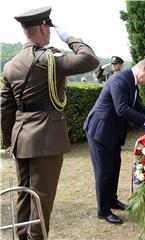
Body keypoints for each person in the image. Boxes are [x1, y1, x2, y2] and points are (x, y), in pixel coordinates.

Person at [0, 6, 99, 240]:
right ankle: (37, 237)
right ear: (43, 27)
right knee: (42, 196)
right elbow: (90, 59)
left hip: (21, 138)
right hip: (46, 137)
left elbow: (5, 108)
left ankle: (22, 235)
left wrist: (8, 142)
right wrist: (70, 37)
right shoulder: (49, 60)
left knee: (24, 194)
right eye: (50, 29)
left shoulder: (10, 65)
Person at [83, 57, 145, 224]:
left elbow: (136, 106)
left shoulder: (132, 83)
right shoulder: (120, 79)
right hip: (100, 131)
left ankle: (112, 200)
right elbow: (122, 109)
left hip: (113, 133)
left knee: (114, 167)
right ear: (144, 68)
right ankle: (103, 210)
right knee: (104, 171)